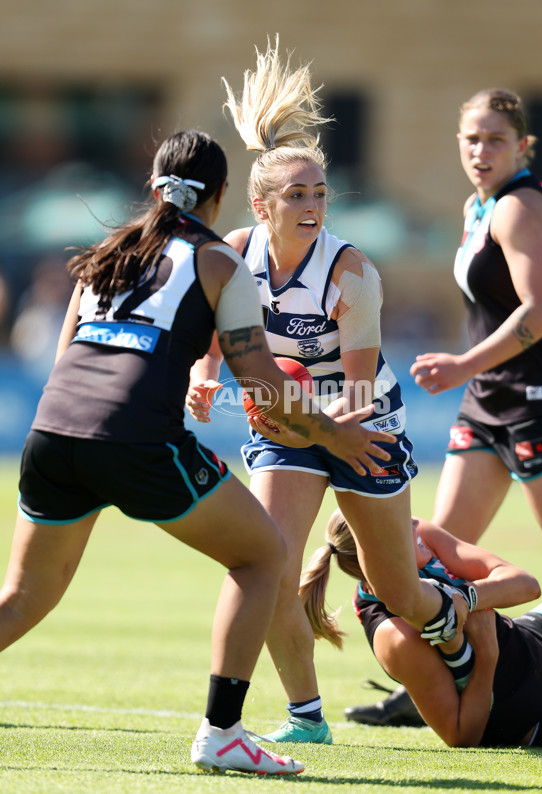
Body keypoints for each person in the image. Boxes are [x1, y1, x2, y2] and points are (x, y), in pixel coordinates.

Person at [0, 129, 399, 777]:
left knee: (21, 597)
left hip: (53, 433)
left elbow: (67, 359)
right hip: (134, 438)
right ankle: (223, 732)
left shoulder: (106, 252)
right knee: (263, 553)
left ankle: (261, 724)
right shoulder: (218, 260)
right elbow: (266, 381)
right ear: (221, 197)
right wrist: (333, 433)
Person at [186, 39, 463, 744]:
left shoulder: (352, 274)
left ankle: (457, 631)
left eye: (319, 194)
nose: (312, 207)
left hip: (360, 421)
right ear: (260, 204)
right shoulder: (236, 253)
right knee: (270, 565)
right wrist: (205, 374)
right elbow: (218, 331)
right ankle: (306, 719)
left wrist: (297, 415)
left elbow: (360, 387)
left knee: (396, 589)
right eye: (296, 195)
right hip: (291, 425)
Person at [409, 88, 542, 581]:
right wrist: (472, 372)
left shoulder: (518, 208)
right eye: (472, 139)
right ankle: (464, 658)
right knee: (436, 549)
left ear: (523, 145)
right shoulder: (478, 206)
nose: (481, 150)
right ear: (458, 142)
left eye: (496, 139)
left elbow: (540, 314)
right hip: (487, 397)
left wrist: (461, 364)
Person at [303, 509, 542, 748]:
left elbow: (526, 585)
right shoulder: (393, 636)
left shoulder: (420, 535)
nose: (412, 520)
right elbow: (462, 735)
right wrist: (487, 654)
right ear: (381, 549)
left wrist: (466, 597)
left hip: (531, 640)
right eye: (396, 517)